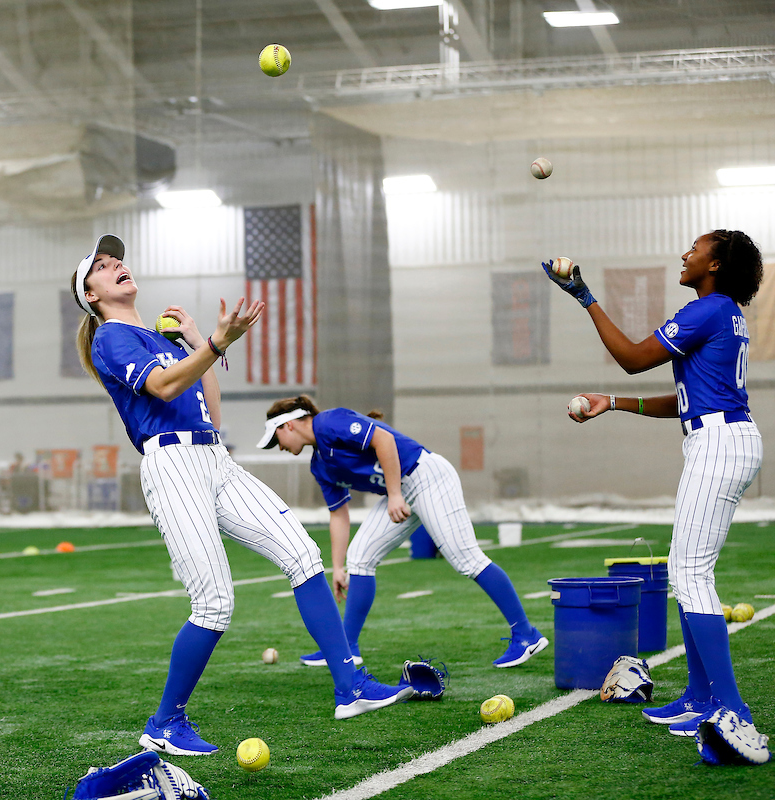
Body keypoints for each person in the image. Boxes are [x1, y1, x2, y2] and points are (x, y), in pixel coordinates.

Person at [71, 233, 412, 757]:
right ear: (91, 295)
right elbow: (162, 390)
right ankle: (164, 722)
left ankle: (352, 687)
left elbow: (211, 404)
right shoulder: (111, 337)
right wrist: (214, 345)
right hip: (173, 464)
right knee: (213, 604)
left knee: (303, 554)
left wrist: (197, 342)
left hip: (213, 457)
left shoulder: (156, 336)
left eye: (117, 258)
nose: (116, 263)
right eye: (102, 264)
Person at [544, 231, 768, 757]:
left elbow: (632, 356)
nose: (685, 254)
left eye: (695, 248)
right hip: (721, 436)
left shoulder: (707, 310)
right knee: (691, 574)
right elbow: (687, 397)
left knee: (690, 576)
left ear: (714, 265)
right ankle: (699, 696)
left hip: (719, 444)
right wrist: (616, 404)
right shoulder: (722, 312)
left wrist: (584, 296)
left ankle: (731, 708)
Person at [257, 397, 547, 668]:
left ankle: (526, 634)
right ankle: (347, 647)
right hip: (403, 488)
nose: (278, 446)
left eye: (276, 439)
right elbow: (339, 514)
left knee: (466, 559)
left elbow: (384, 439)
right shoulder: (319, 464)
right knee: (359, 557)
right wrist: (336, 566)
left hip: (426, 476)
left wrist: (394, 494)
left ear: (288, 425)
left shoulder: (328, 422)